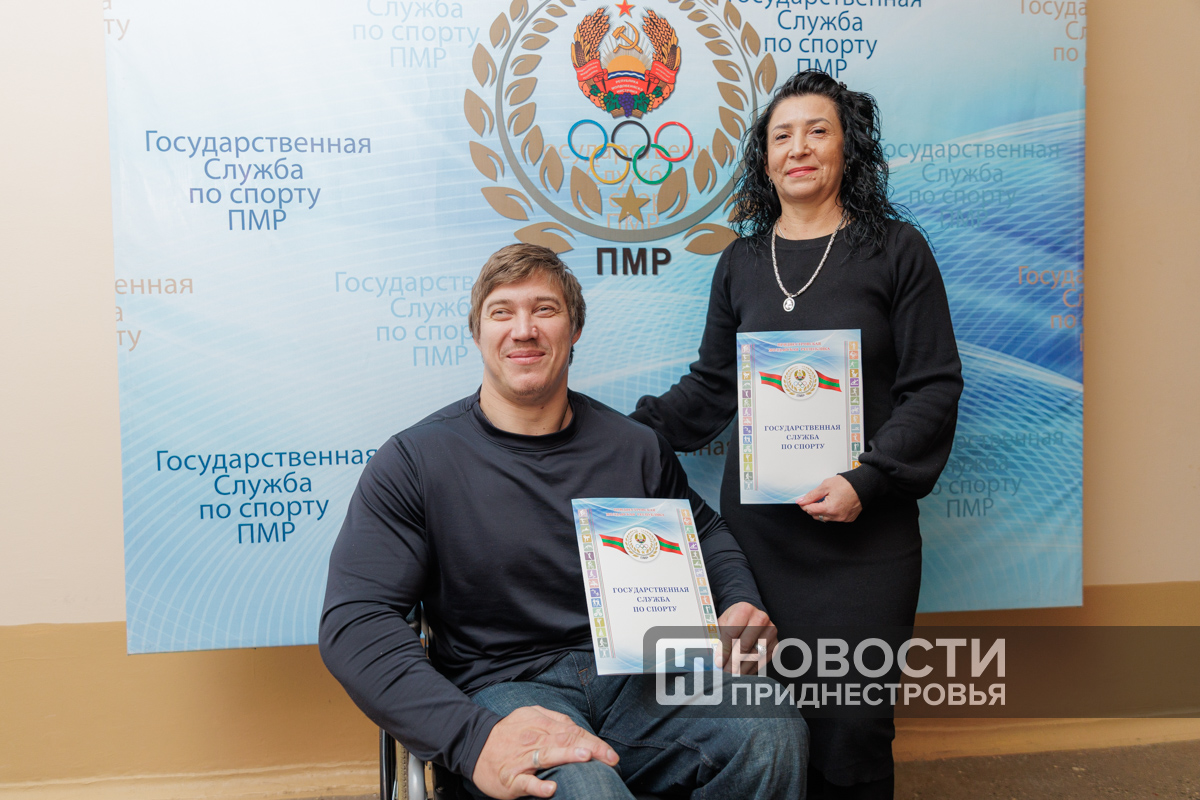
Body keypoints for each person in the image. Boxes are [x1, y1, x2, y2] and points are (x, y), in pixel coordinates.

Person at [319, 243, 808, 800]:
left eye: (544, 309)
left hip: (638, 680)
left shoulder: (634, 447)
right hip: (503, 687)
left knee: (769, 730)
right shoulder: (415, 461)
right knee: (583, 787)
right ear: (477, 333)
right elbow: (356, 620)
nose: (523, 329)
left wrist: (738, 600)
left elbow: (708, 533)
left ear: (574, 329)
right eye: (502, 312)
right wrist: (474, 740)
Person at [630, 70, 964, 798]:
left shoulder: (897, 250)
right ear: (765, 157)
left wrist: (866, 480)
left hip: (864, 543)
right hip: (758, 548)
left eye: (818, 131)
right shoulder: (741, 263)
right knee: (765, 729)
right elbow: (710, 388)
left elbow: (934, 386)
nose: (799, 147)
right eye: (782, 135)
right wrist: (619, 434)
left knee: (853, 732)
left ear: (849, 149)